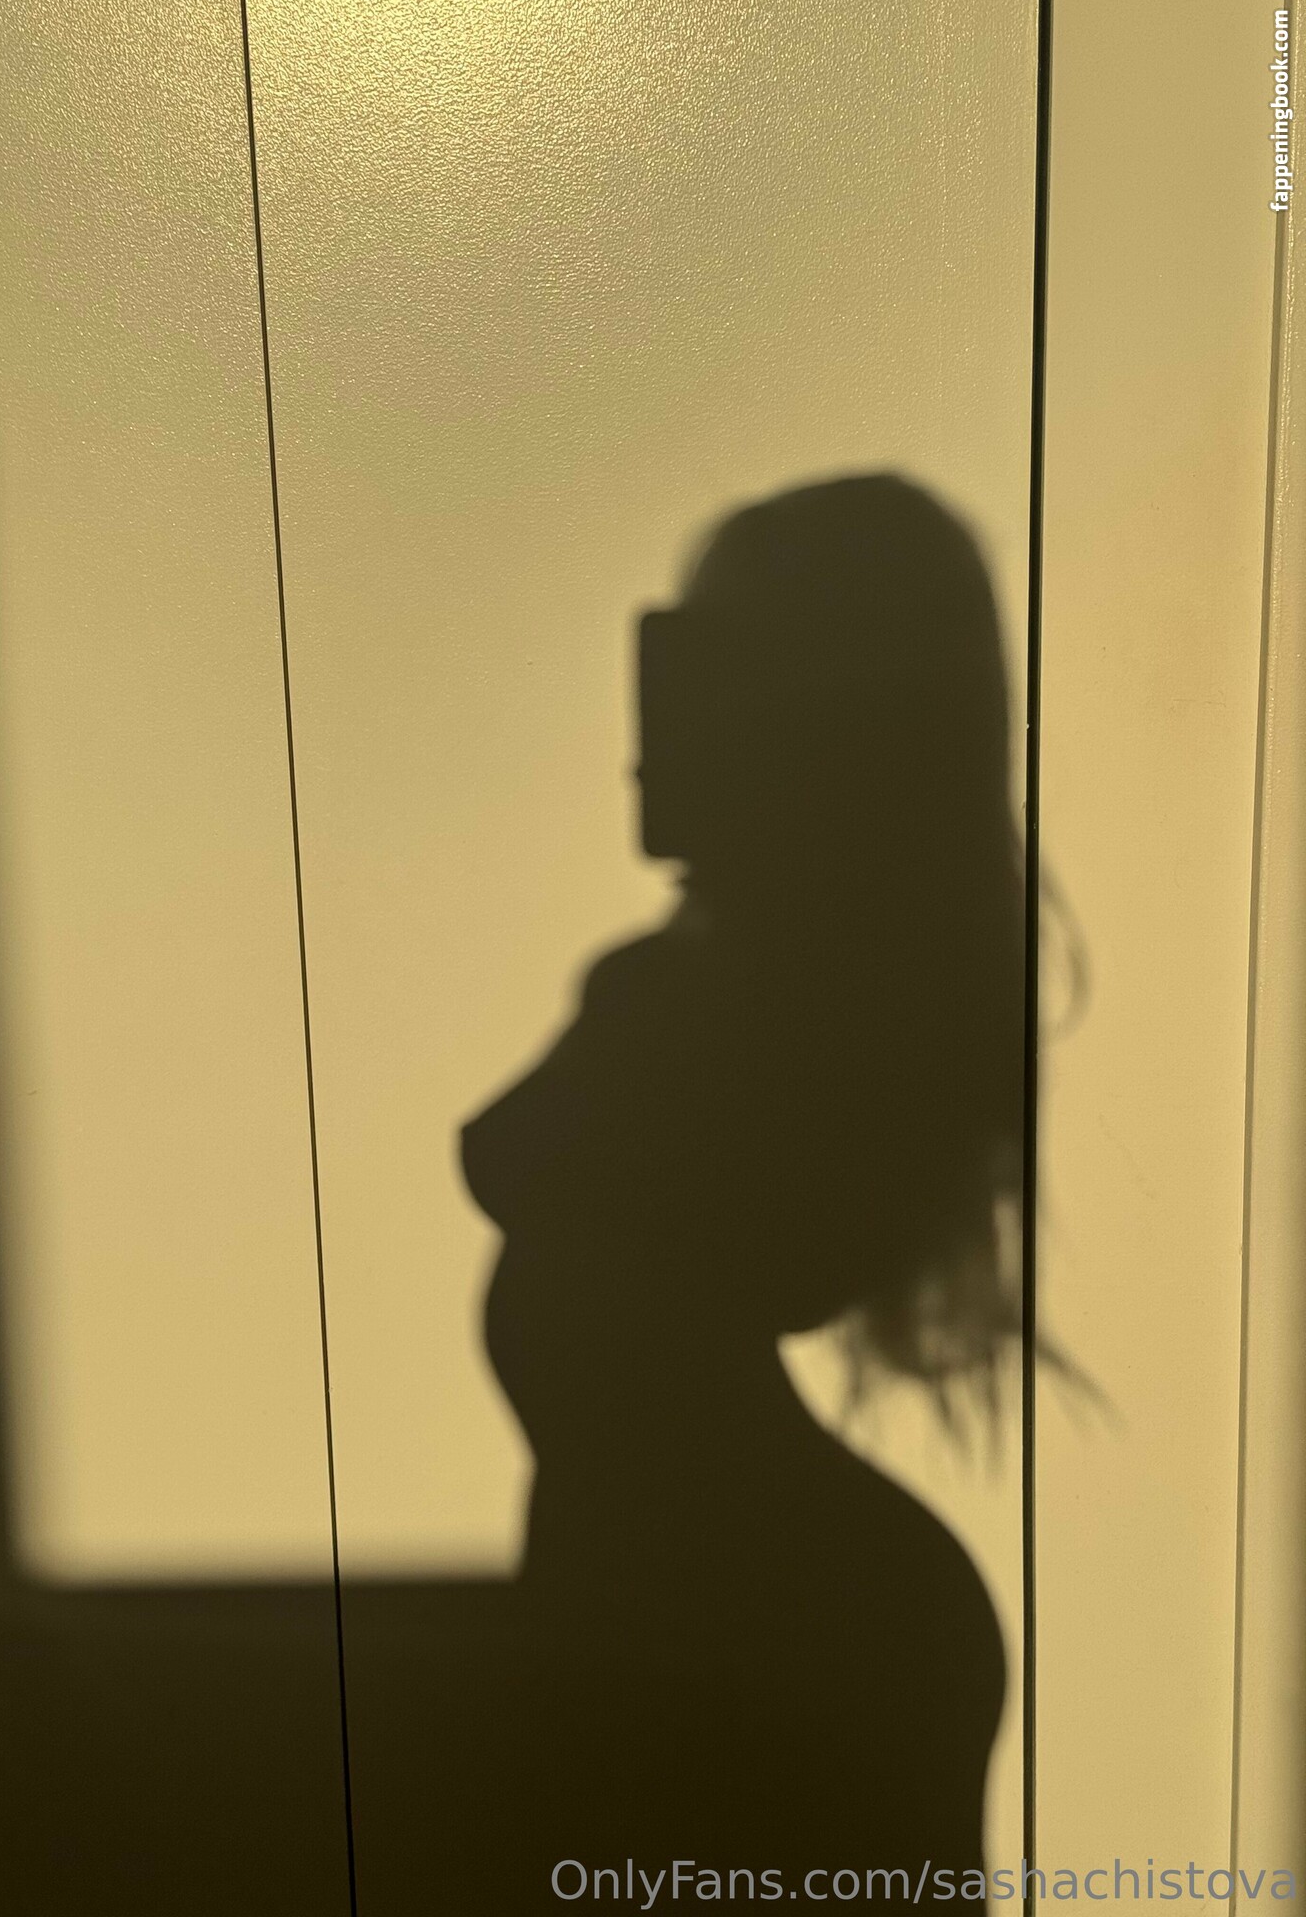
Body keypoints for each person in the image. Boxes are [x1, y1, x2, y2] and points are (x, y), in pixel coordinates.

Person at [454, 474, 1024, 1893]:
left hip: (776, 1634)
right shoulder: (703, 991)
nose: (656, 716)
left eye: (706, 666)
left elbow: (506, 1154)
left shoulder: (724, 1008)